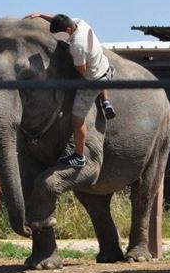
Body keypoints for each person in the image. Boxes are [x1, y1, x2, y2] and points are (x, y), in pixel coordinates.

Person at [25, 12, 115, 168]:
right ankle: (106, 102)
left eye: (59, 35)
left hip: (93, 79)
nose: (58, 38)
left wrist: (69, 55)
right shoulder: (80, 22)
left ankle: (79, 156)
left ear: (67, 30)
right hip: (105, 67)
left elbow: (82, 69)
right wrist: (40, 15)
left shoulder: (77, 46)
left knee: (77, 118)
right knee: (99, 67)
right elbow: (57, 19)